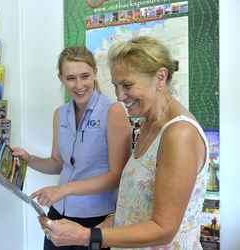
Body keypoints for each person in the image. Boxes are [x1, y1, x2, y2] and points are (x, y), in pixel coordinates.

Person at [40, 36, 209, 250]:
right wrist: (108, 223)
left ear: (160, 77)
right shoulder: (148, 125)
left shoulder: (180, 134)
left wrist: (87, 235)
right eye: (116, 86)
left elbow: (164, 229)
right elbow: (136, 201)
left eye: (127, 85)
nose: (120, 96)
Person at [13, 46, 131, 250]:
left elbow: (116, 176)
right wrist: (29, 158)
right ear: (61, 78)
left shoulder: (114, 111)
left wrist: (64, 189)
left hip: (95, 219)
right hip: (58, 215)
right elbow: (57, 164)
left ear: (95, 72)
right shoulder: (60, 114)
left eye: (84, 76)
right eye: (71, 78)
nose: (79, 85)